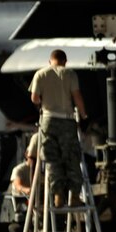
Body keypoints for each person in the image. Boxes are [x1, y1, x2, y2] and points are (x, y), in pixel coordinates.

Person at [28, 49, 88, 204]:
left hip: (48, 121)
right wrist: (84, 115)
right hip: (66, 120)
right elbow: (77, 96)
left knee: (51, 158)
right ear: (65, 61)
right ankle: (74, 195)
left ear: (50, 61)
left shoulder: (40, 74)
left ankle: (58, 194)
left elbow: (34, 98)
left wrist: (45, 101)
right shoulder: (70, 74)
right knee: (71, 157)